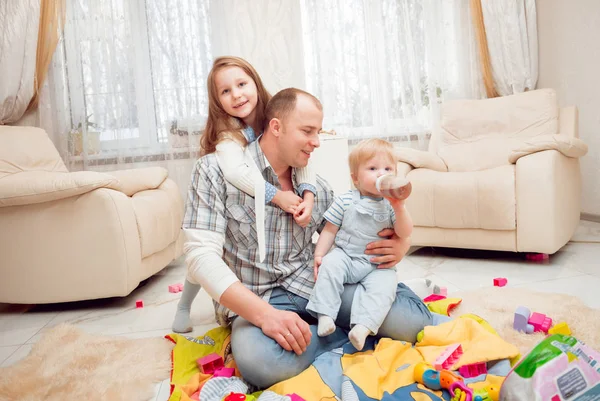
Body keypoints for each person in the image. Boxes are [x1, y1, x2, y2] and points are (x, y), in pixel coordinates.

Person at [181, 86, 451, 389]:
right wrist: (265, 317)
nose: (317, 142)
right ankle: (345, 333)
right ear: (276, 128)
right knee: (261, 363)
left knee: (413, 323)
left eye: (319, 131)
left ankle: (331, 329)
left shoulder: (315, 187)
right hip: (257, 298)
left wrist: (401, 245)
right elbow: (200, 257)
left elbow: (350, 232)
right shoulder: (214, 171)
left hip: (312, 284)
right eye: (308, 131)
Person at [172, 57, 316, 333]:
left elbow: (302, 158)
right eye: (225, 91)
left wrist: (307, 194)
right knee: (203, 256)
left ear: (255, 84)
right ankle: (184, 305)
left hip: (270, 209)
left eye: (241, 84)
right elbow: (237, 173)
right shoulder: (229, 134)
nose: (236, 94)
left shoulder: (276, 116)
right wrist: (277, 196)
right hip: (239, 192)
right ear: (217, 101)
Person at [306, 138, 412, 351]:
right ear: (356, 179)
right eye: (373, 168)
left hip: (376, 264)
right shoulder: (345, 200)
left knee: (385, 287)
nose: (381, 173)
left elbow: (404, 232)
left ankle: (363, 327)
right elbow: (329, 229)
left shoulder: (392, 206)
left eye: (387, 169)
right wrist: (320, 254)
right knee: (330, 266)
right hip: (347, 255)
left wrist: (399, 207)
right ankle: (325, 315)